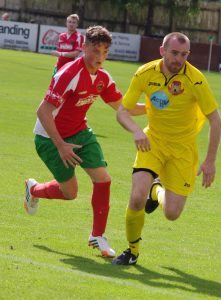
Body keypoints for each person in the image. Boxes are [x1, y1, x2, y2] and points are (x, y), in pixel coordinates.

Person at [24, 25, 145, 258]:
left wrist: (155, 107)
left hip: (80, 132)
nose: (100, 57)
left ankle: (97, 236)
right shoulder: (68, 74)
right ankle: (35, 189)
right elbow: (43, 111)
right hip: (49, 138)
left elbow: (123, 108)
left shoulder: (103, 77)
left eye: (105, 52)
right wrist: (60, 145)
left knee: (103, 179)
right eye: (95, 50)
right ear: (83, 47)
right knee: (70, 193)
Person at [112, 32, 221, 265]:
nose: (178, 59)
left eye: (184, 55)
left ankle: (157, 191)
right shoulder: (144, 73)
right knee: (136, 197)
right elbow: (123, 111)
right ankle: (132, 251)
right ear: (162, 51)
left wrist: (210, 161)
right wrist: (137, 131)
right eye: (174, 53)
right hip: (153, 142)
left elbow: (216, 120)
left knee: (172, 213)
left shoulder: (196, 79)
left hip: (183, 149)